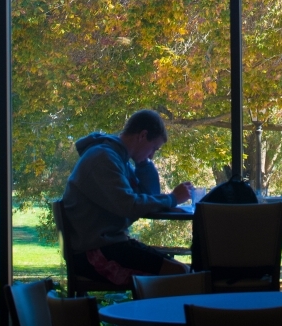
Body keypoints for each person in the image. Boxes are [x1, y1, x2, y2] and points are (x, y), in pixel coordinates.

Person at [62, 109, 193, 285]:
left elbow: (147, 196)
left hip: (110, 245)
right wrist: (172, 199)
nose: (152, 155)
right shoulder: (103, 158)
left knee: (183, 270)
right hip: (94, 253)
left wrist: (144, 164)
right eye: (154, 148)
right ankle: (151, 313)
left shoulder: (118, 159)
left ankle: (150, 312)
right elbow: (129, 205)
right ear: (143, 135)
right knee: (180, 273)